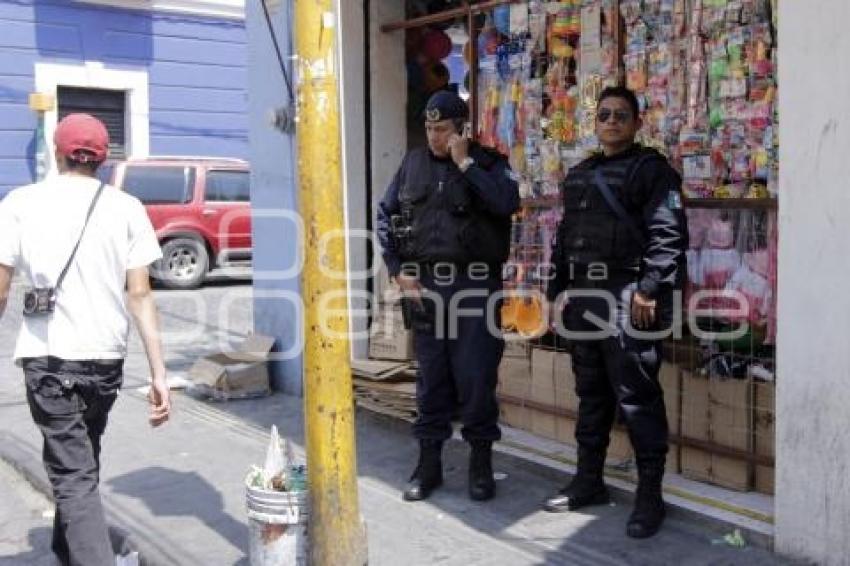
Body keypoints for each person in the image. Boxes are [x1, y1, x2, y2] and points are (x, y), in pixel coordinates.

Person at [0, 113, 171, 565]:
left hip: (51, 361)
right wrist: (159, 374)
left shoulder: (20, 202)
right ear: (103, 159)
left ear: (57, 153)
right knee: (81, 457)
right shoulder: (128, 207)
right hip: (106, 360)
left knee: (73, 471)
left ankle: (88, 554)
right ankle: (67, 545)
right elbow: (140, 294)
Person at [543, 86, 688, 539]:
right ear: (595, 122)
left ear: (636, 122)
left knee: (637, 396)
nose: (611, 121)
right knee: (590, 394)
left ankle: (650, 496)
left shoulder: (652, 171)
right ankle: (588, 481)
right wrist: (556, 290)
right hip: (585, 295)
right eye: (604, 114)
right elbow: (565, 234)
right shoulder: (580, 174)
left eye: (620, 115)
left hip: (628, 294)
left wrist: (649, 289)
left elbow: (668, 234)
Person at [377, 90, 520, 502]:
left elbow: (506, 203)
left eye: (442, 130)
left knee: (477, 379)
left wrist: (465, 164)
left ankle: (480, 463)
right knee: (431, 380)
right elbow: (386, 214)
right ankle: (429, 464)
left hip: (475, 287)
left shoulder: (491, 164)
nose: (434, 137)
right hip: (426, 287)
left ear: (462, 129)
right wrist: (398, 269)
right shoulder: (413, 163)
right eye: (429, 128)